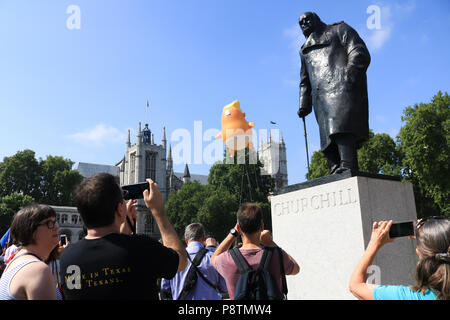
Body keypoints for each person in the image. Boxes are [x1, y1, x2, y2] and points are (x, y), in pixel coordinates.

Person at [59, 173, 187, 300]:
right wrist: (159, 212)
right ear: (120, 209)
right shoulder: (142, 247)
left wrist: (124, 228)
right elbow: (181, 261)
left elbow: (111, 259)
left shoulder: (68, 257)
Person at [297, 12, 371, 174]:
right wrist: (304, 103)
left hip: (340, 87)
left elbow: (359, 51)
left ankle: (348, 164)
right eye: (301, 22)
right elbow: (305, 79)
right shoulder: (304, 50)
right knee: (327, 136)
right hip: (320, 97)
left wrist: (349, 74)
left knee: (341, 127)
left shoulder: (340, 29)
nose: (304, 23)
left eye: (307, 19)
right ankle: (335, 167)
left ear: (317, 19)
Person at [211, 203, 300, 299]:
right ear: (262, 227)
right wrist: (270, 243)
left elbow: (213, 258)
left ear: (238, 228)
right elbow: (296, 268)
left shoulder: (226, 259)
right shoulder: (277, 255)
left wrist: (233, 233)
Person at [349, 217, 450, 300]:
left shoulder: (410, 297)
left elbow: (355, 286)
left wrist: (374, 243)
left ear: (418, 252)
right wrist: (435, 231)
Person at [0, 205, 60, 300]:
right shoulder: (37, 270)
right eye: (49, 223)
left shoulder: (17, 261)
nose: (56, 227)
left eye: (55, 222)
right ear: (30, 229)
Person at [160, 223, 227, 300]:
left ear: (186, 240)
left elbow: (165, 289)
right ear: (203, 239)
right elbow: (224, 288)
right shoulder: (214, 258)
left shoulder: (174, 259)